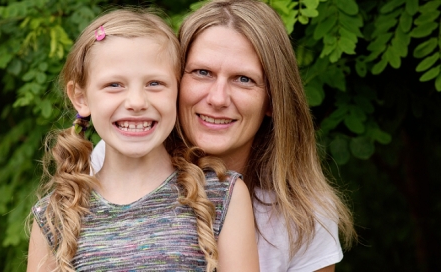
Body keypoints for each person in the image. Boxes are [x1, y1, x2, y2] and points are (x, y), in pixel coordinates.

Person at [92, 0, 357, 271]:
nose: (218, 99)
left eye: (243, 79)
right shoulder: (115, 159)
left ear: (272, 101)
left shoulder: (304, 216)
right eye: (202, 72)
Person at [26, 9, 259, 272]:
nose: (136, 102)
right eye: (114, 85)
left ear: (178, 90)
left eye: (155, 83)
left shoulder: (220, 195)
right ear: (81, 97)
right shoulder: (55, 216)